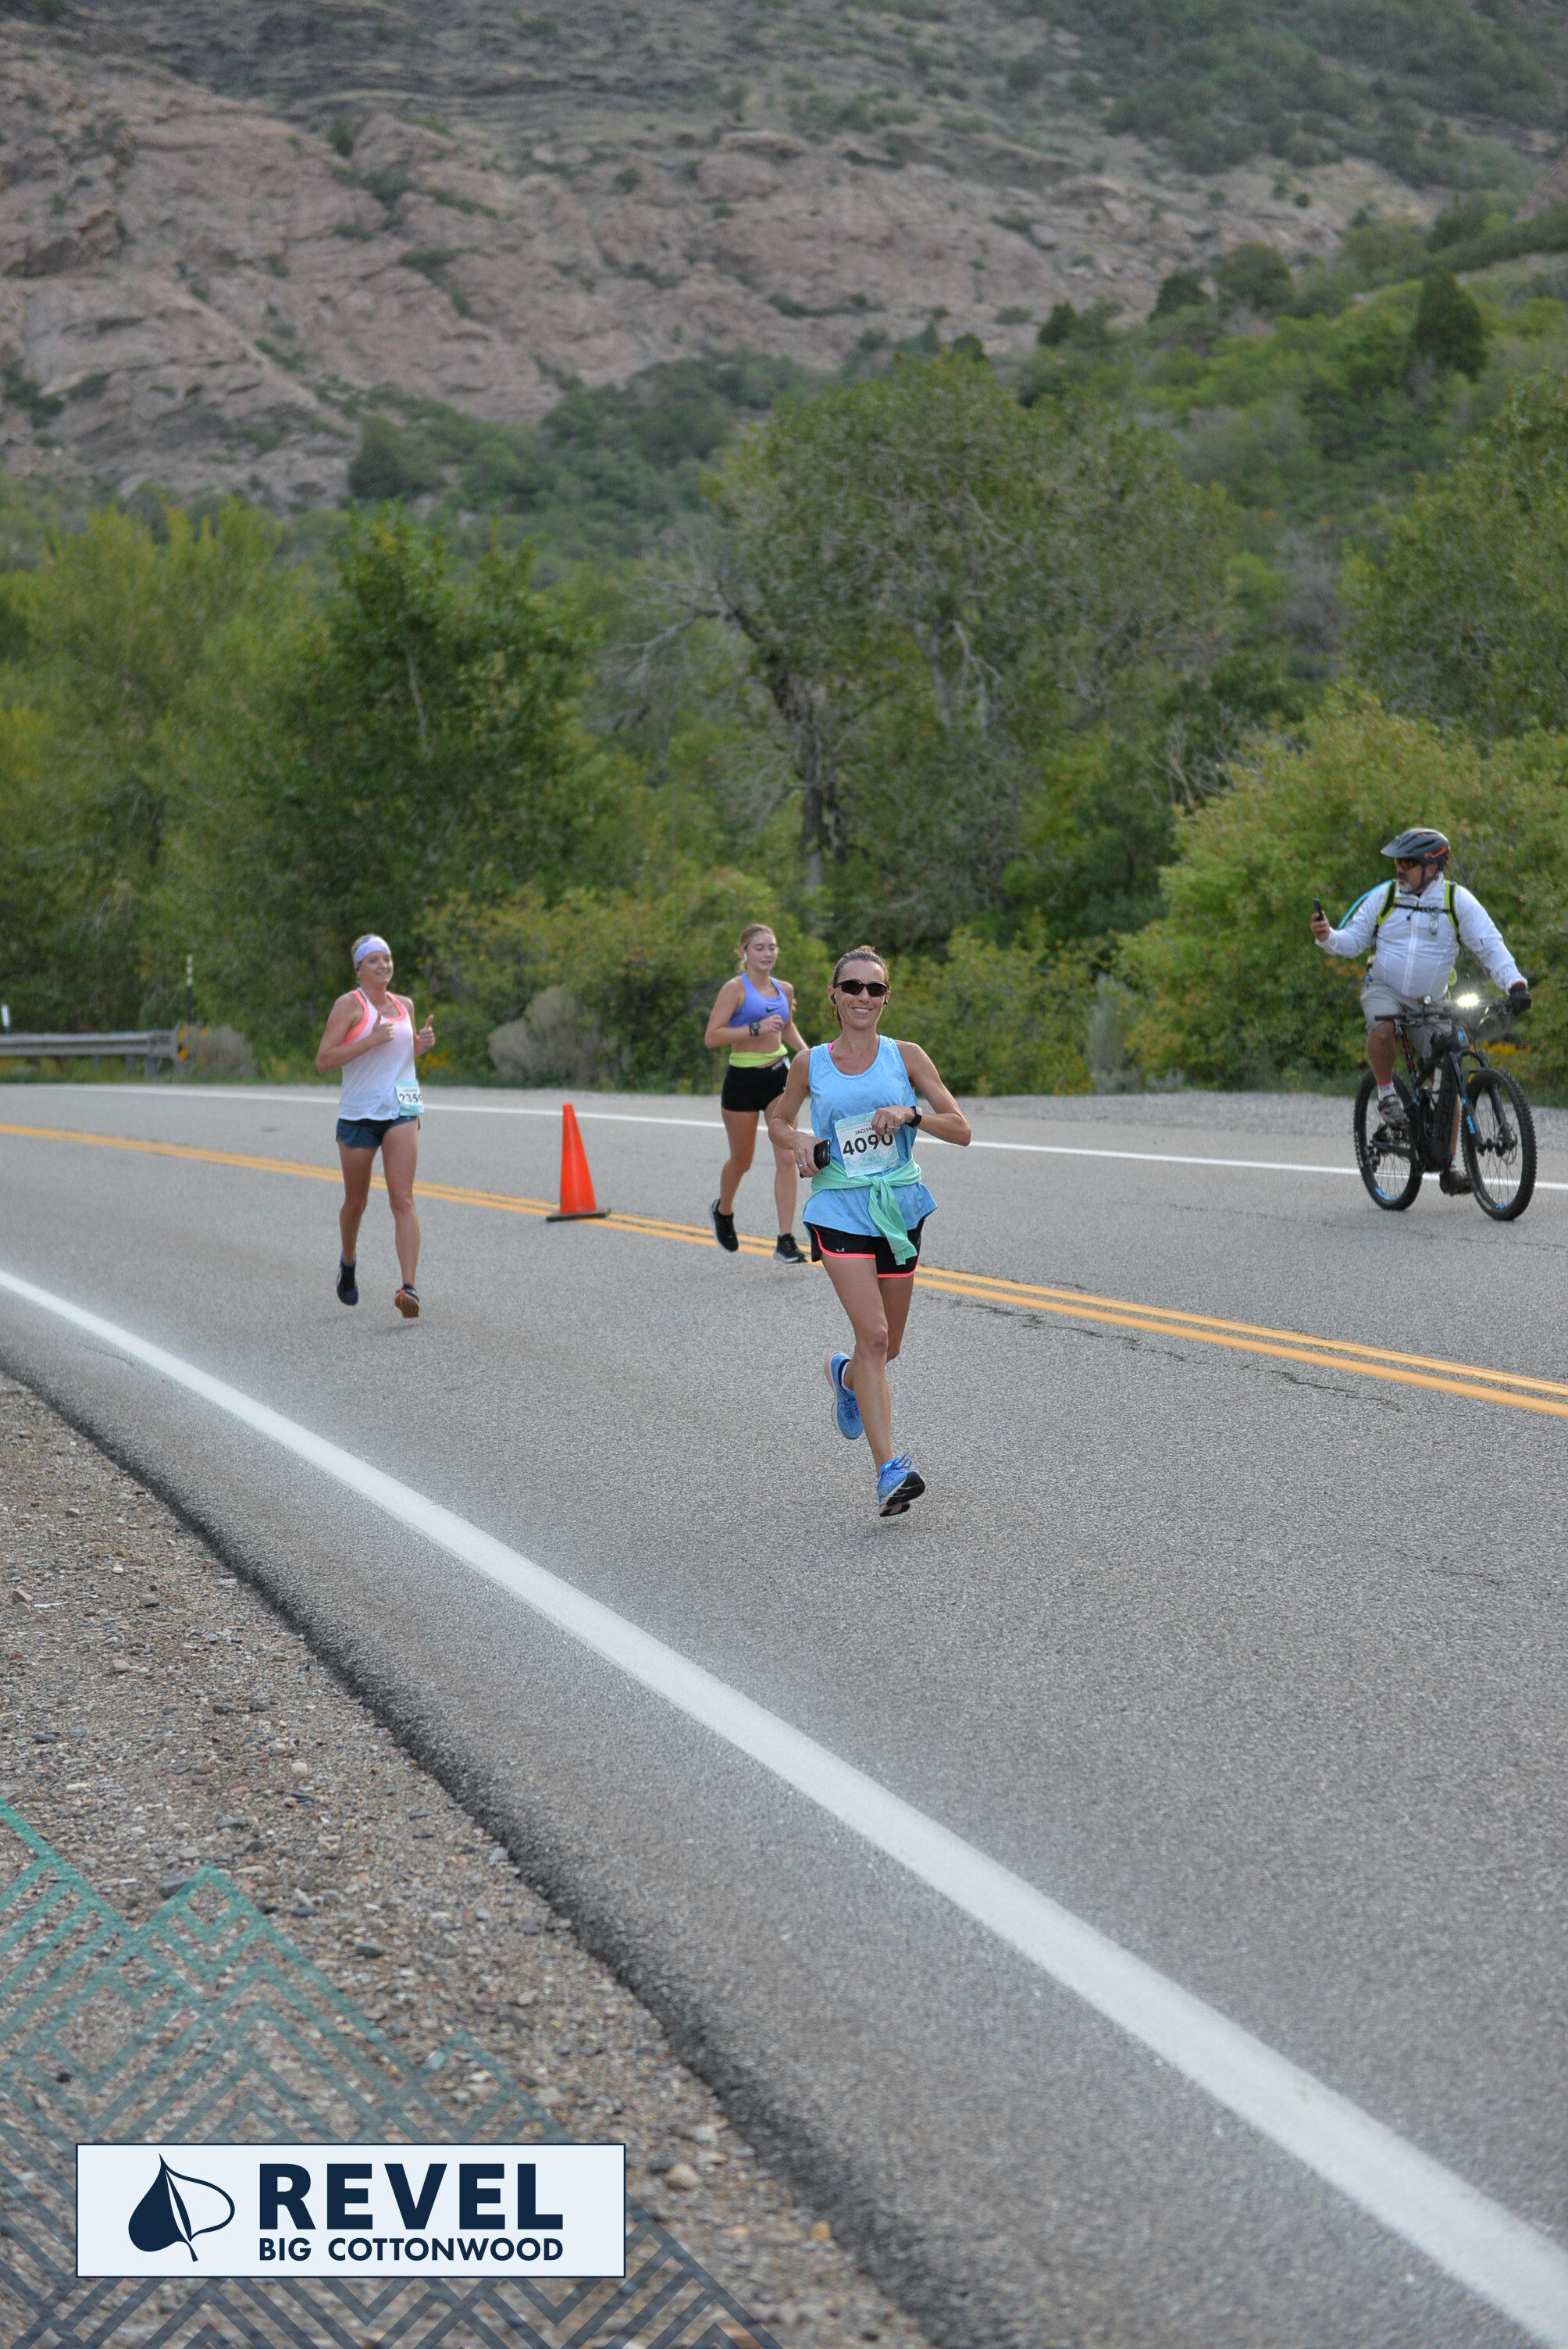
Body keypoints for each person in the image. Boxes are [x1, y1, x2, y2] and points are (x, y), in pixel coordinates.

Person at [767, 945, 971, 1517]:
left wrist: (911, 1115)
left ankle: (846, 1378)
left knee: (887, 1347)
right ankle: (889, 1471)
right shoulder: (810, 1063)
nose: (863, 997)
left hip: (899, 1208)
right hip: (838, 1207)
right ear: (833, 996)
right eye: (852, 987)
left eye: (874, 989)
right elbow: (778, 1120)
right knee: (875, 1336)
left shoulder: (907, 1057)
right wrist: (799, 1140)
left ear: (886, 998)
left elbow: (961, 1129)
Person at [1312, 829, 1531, 1195]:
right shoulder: (1384, 898)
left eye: (1408, 863)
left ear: (1433, 867)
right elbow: (1352, 942)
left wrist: (1516, 984)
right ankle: (1386, 1095)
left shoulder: (1456, 901)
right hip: (1385, 988)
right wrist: (1327, 937)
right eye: (1398, 862)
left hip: (1432, 1001)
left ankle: (1449, 1166)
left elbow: (1490, 944)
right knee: (1382, 1026)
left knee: (1450, 1072)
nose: (1399, 869)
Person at [315, 934, 435, 1316]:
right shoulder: (349, 1006)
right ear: (359, 968)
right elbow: (324, 1061)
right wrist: (369, 1040)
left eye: (387, 958)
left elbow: (402, 1053)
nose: (383, 965)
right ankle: (348, 1260)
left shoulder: (404, 1005)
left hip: (401, 1108)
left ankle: (409, 1288)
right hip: (360, 1114)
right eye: (374, 960)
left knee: (403, 1198)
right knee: (357, 1203)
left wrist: (421, 1045)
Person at [704, 923, 811, 1263]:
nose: (767, 954)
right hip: (742, 1080)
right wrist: (754, 1028)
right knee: (742, 1161)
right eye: (759, 948)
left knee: (787, 1155)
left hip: (779, 1076)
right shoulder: (734, 990)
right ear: (744, 952)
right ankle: (723, 1210)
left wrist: (808, 1057)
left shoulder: (784, 990)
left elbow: (787, 1027)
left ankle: (786, 1240)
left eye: (772, 947)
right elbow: (712, 1036)